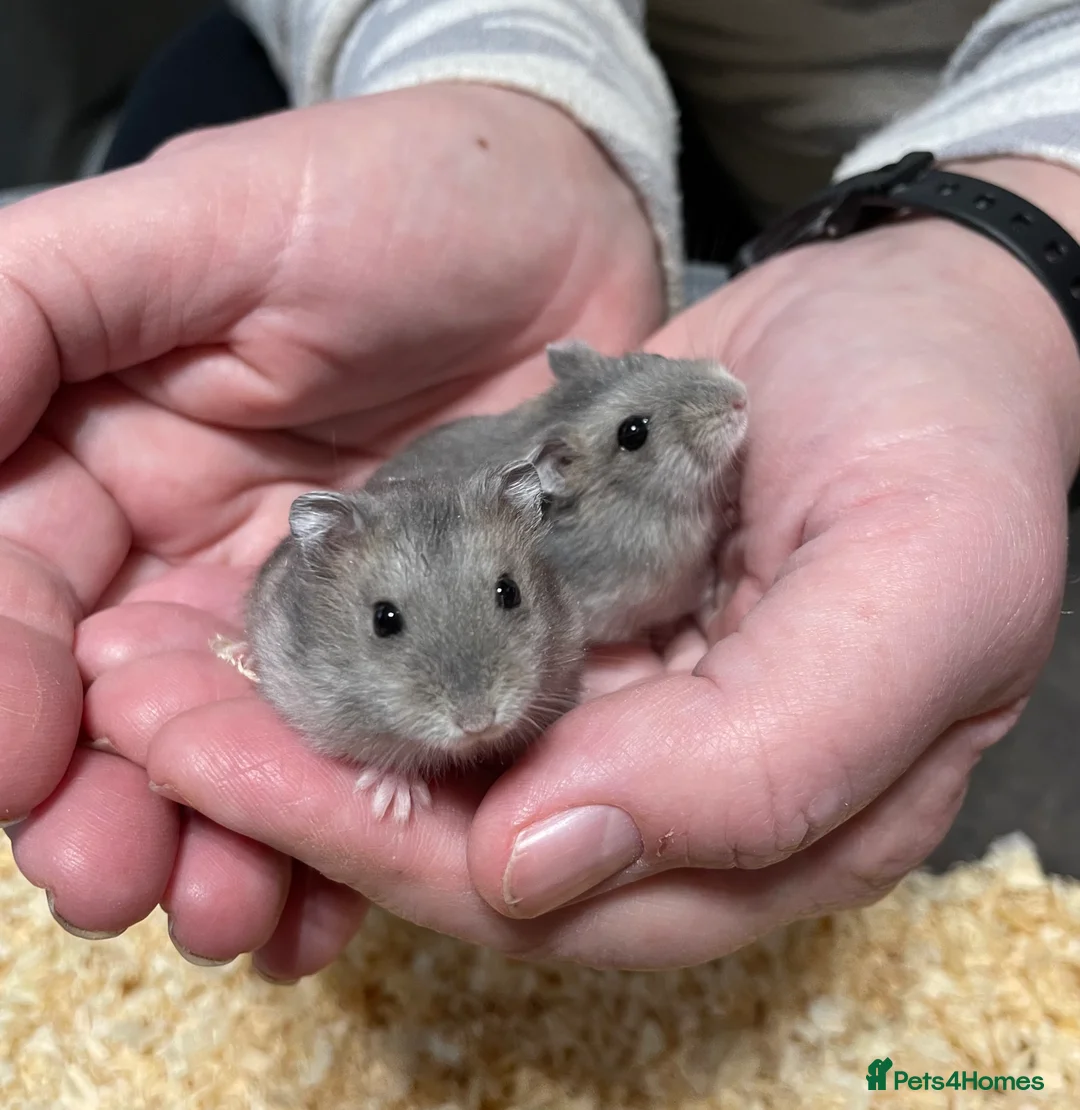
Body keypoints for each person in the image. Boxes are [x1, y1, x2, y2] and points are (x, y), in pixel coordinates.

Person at [2, 0, 1079, 982]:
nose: (476, 703)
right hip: (536, 78)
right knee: (190, 89)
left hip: (896, 165)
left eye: (513, 599)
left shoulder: (554, 561)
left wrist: (1005, 248)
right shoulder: (328, 592)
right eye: (388, 622)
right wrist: (493, 85)